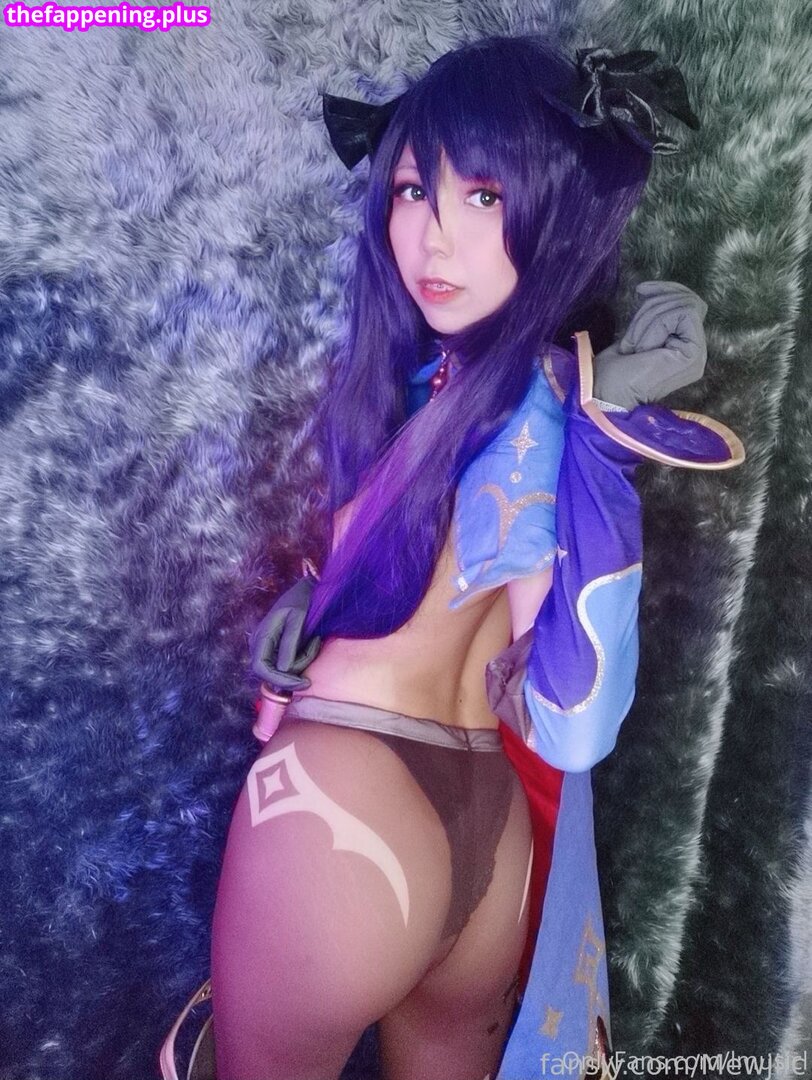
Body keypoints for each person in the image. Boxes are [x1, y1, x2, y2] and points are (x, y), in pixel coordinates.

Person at [159, 34, 744, 1080]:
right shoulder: (471, 388)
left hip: (341, 806)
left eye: (481, 196)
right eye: (410, 190)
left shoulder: (546, 405)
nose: (431, 236)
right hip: (484, 841)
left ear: (557, 208)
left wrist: (605, 445)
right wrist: (318, 602)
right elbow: (477, 618)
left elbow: (574, 721)